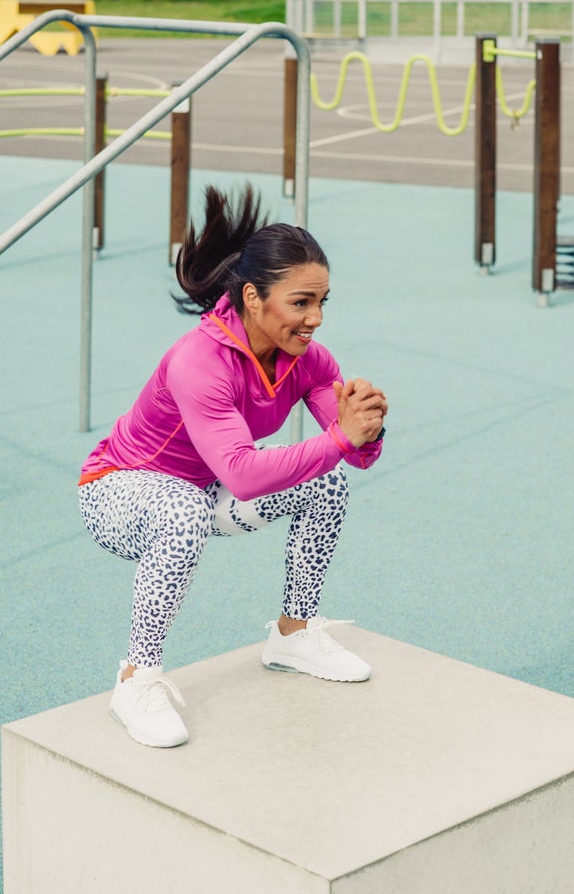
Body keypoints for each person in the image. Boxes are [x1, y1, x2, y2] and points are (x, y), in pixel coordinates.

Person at [78, 185, 387, 749]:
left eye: (323, 301)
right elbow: (245, 474)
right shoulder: (199, 361)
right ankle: (135, 679)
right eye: (300, 302)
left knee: (328, 479)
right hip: (117, 491)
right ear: (252, 297)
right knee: (180, 507)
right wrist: (343, 439)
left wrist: (366, 429)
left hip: (205, 490)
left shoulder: (308, 359)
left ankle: (293, 635)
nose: (315, 318)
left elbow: (349, 453)